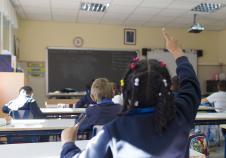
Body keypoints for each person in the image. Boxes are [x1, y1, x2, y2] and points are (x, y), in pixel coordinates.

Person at [60, 29, 200, 158]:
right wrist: (176, 51)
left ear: (126, 90)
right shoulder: (182, 114)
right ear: (167, 88)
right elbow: (191, 83)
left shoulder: (112, 132)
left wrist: (68, 144)